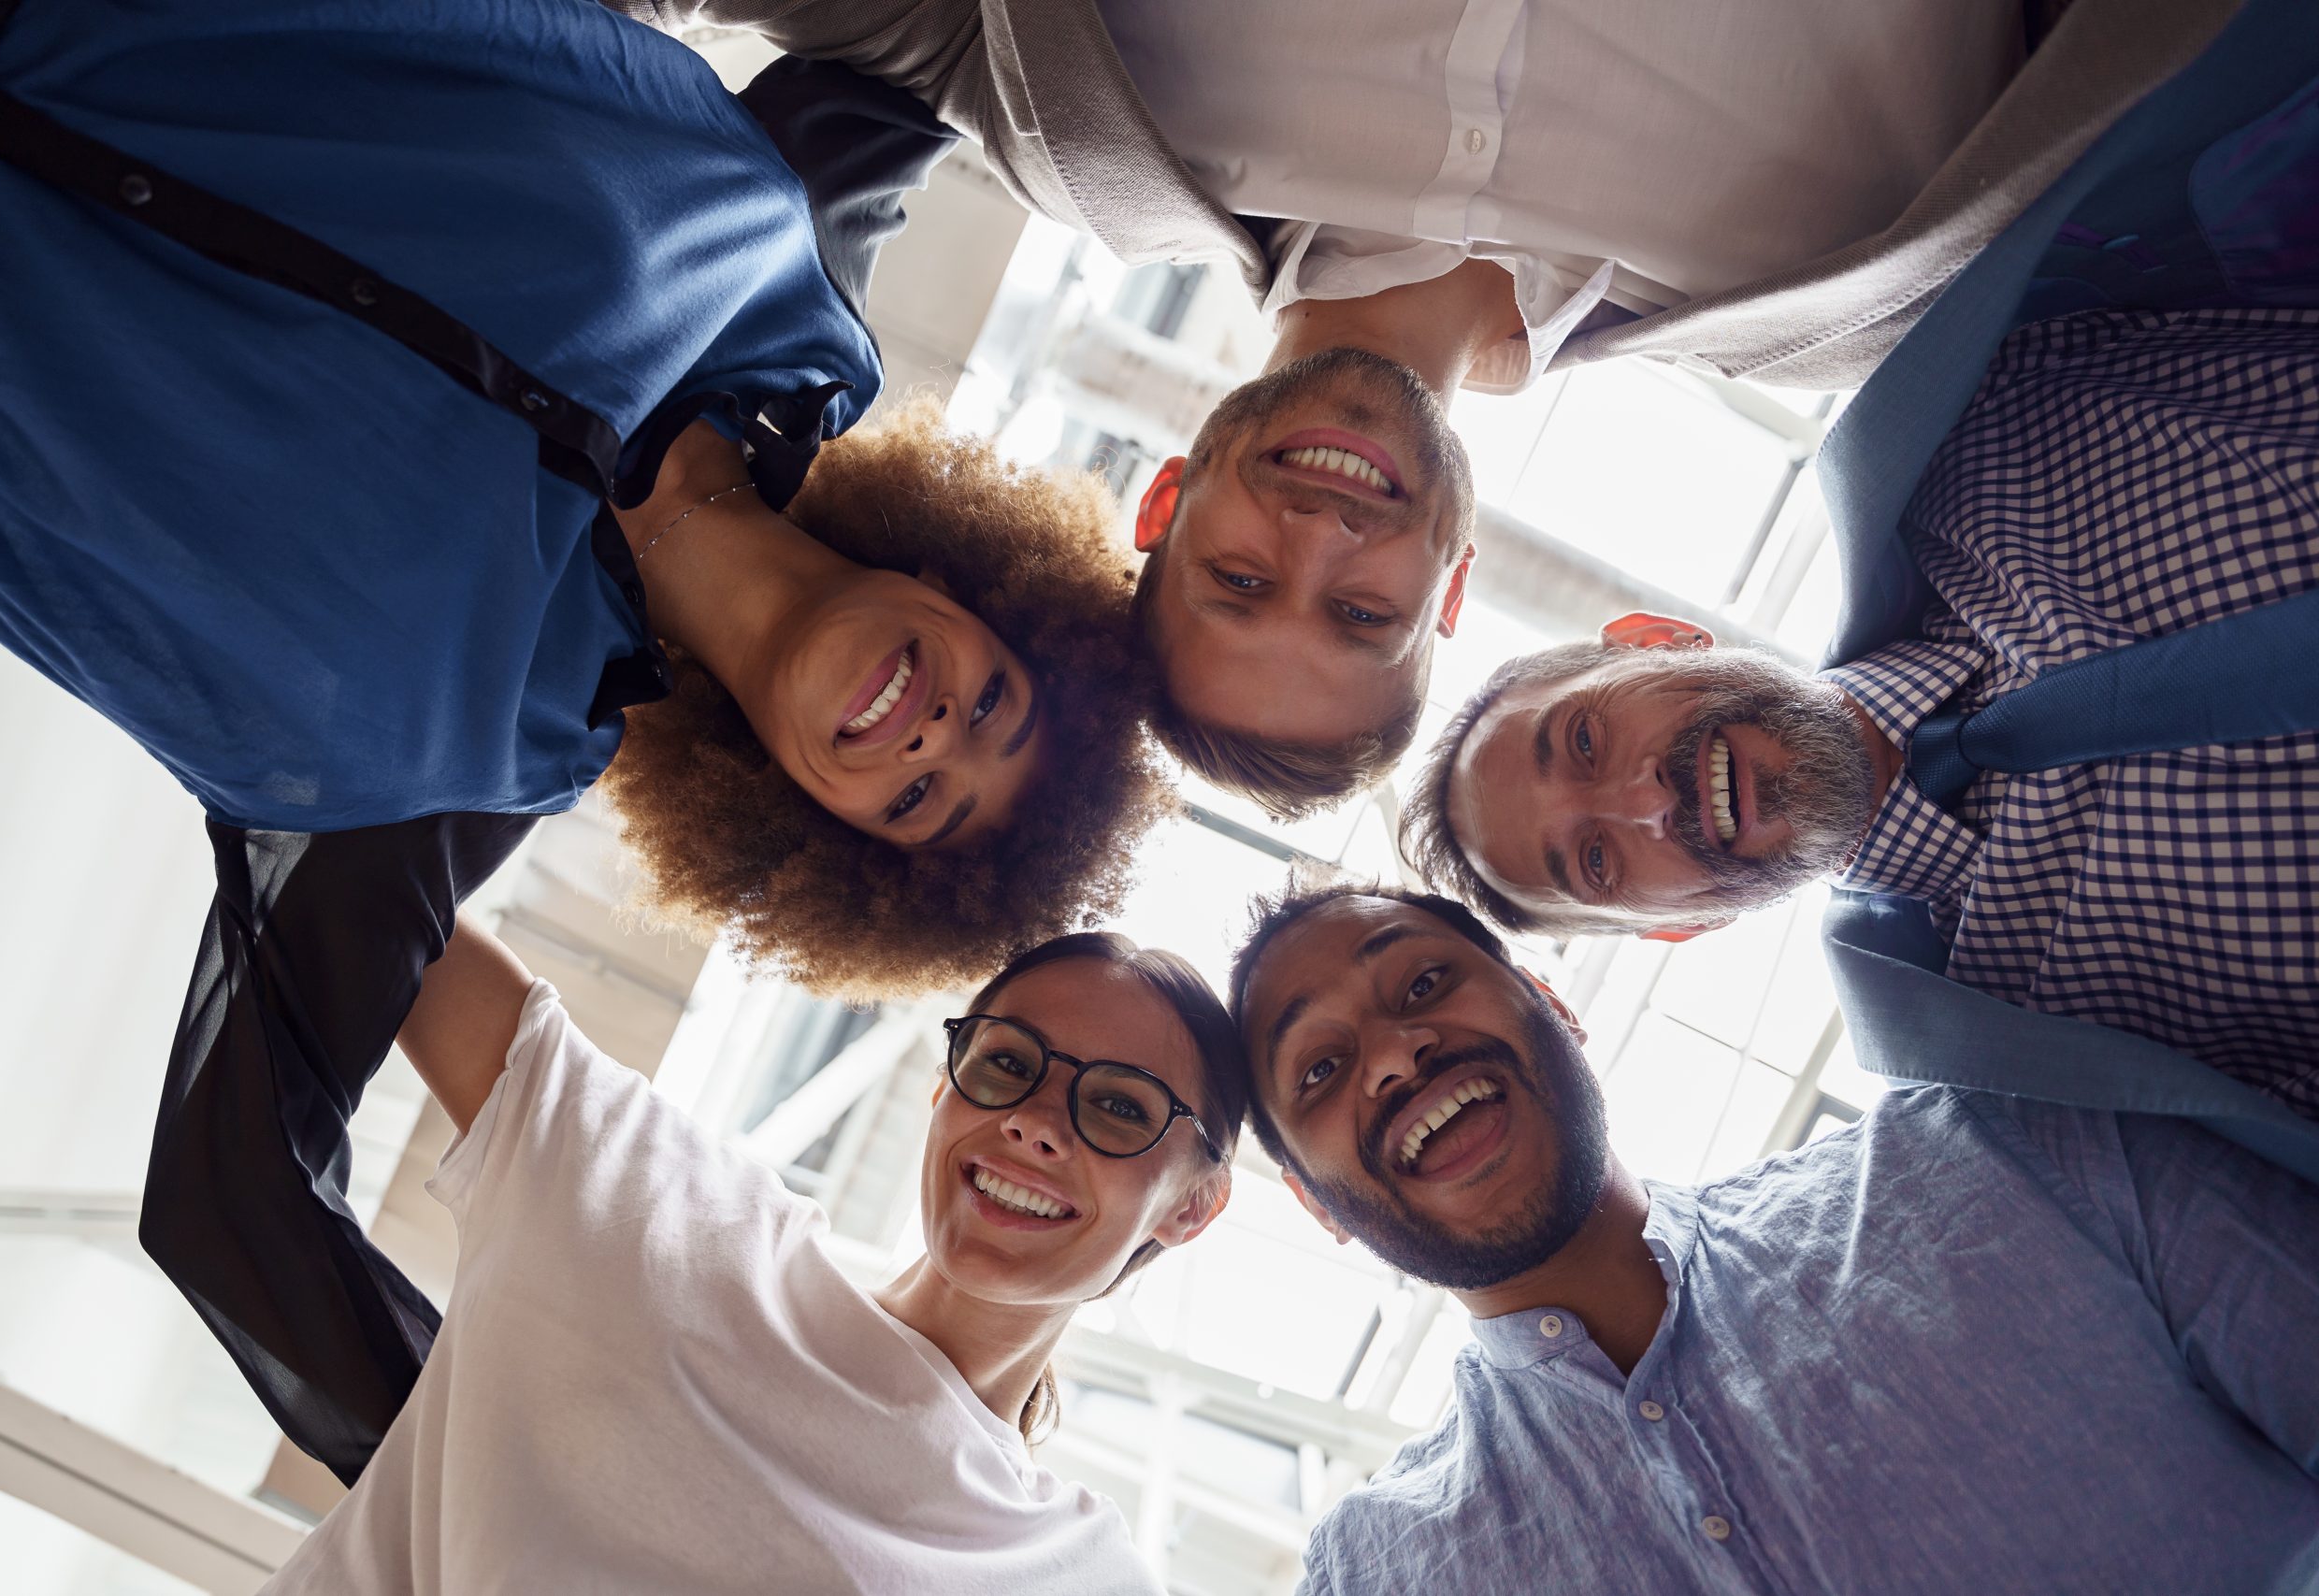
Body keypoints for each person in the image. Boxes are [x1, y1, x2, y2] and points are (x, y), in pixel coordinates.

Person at [0, 5, 1168, 1479]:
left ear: (829, 838)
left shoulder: (459, 753)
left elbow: (237, 1196)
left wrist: (530, 1506)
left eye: (920, 800)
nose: (927, 726)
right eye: (996, 705)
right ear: (983, 591)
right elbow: (977, 50)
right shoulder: (779, 266)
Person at [614, 0, 2231, 814]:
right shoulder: (1851, 293)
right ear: (1451, 589)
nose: (1324, 535)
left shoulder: (1079, 128)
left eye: (1241, 579)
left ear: (1163, 502)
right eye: (1365, 612)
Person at [1398, 0, 2319, 1174]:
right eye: (1596, 862)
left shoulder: (1986, 422)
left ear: (1659, 638)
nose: (1643, 803)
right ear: (1682, 920)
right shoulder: (2041, 1052)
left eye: (1581, 740)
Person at [1228, 884, 2319, 1595]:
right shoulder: (1382, 1570)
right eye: (1317, 1069)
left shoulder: (2008, 1151)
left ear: (1553, 1007)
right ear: (1317, 1206)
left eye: (1423, 983)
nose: (1394, 1054)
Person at [260, 919, 1243, 1594]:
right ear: (940, 1093)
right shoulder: (668, 1212)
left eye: (1119, 1106)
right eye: (1006, 1064)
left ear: (1193, 1206)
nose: (1033, 1123)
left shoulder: (1073, 1570)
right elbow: (380, 901)